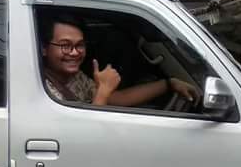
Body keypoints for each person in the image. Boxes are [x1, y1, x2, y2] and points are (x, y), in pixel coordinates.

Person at [41, 14, 201, 107]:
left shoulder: (75, 77)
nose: (75, 52)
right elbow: (83, 137)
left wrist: (169, 84)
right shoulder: (43, 90)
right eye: (65, 45)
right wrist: (103, 90)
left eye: (80, 45)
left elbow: (117, 99)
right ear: (44, 48)